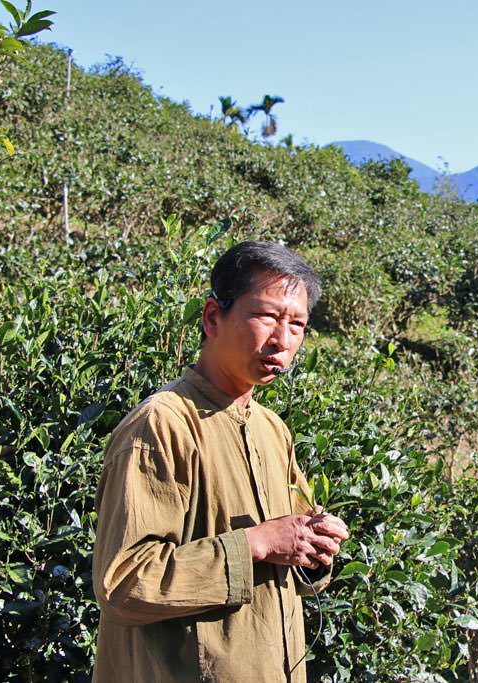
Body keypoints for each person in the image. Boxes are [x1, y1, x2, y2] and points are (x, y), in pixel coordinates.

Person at [92, 241, 349, 682]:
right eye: (266, 316)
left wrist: (315, 546)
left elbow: (293, 556)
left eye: (297, 325)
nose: (282, 340)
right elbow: (124, 583)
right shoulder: (161, 424)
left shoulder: (272, 430)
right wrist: (255, 544)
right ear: (213, 317)